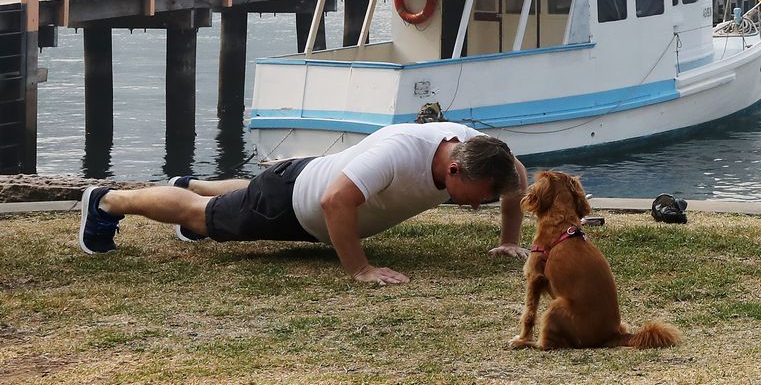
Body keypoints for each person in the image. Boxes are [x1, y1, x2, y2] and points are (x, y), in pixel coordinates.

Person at [77, 123, 530, 285]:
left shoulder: (479, 150)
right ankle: (109, 202)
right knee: (200, 216)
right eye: (483, 195)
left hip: (302, 175)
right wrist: (360, 269)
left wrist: (510, 240)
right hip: (290, 204)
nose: (485, 202)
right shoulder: (401, 152)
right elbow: (336, 202)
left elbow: (517, 179)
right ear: (455, 172)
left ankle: (191, 183)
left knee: (244, 191)